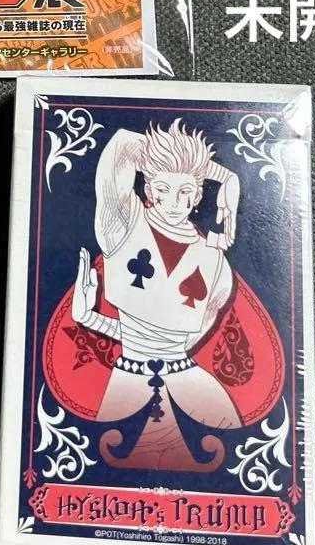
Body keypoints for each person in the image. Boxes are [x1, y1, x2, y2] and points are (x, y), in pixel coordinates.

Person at [70, 119, 242, 471]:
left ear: (198, 195)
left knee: (230, 459)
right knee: (105, 472)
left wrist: (92, 320)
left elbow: (171, 340)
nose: (175, 202)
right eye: (164, 188)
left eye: (186, 191)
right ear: (149, 187)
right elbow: (121, 145)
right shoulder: (122, 225)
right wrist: (225, 176)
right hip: (129, 381)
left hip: (191, 381)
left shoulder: (214, 260)